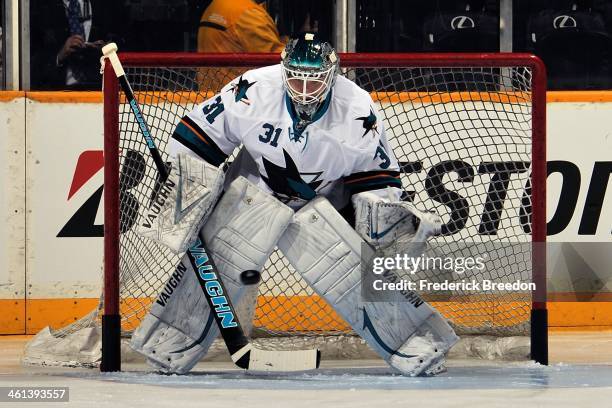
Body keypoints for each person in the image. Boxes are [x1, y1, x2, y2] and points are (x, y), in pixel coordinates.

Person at [130, 33, 459, 376]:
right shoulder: (253, 89)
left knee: (355, 273)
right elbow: (197, 139)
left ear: (332, 76)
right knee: (217, 266)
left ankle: (416, 345)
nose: (304, 90)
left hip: (323, 204)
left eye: (314, 80)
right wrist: (190, 194)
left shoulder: (358, 109)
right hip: (252, 193)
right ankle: (166, 346)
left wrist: (381, 217)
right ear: (283, 70)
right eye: (296, 78)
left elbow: (375, 175)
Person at [196, 0, 317, 90]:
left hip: (209, 93)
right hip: (238, 97)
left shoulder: (216, 5)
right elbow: (279, 61)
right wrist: (304, 37)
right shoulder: (249, 14)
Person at [29, 0, 124, 90]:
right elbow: (31, 62)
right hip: (57, 91)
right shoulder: (43, 8)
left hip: (98, 88)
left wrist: (107, 49)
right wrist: (60, 55)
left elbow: (123, 41)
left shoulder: (106, 5)